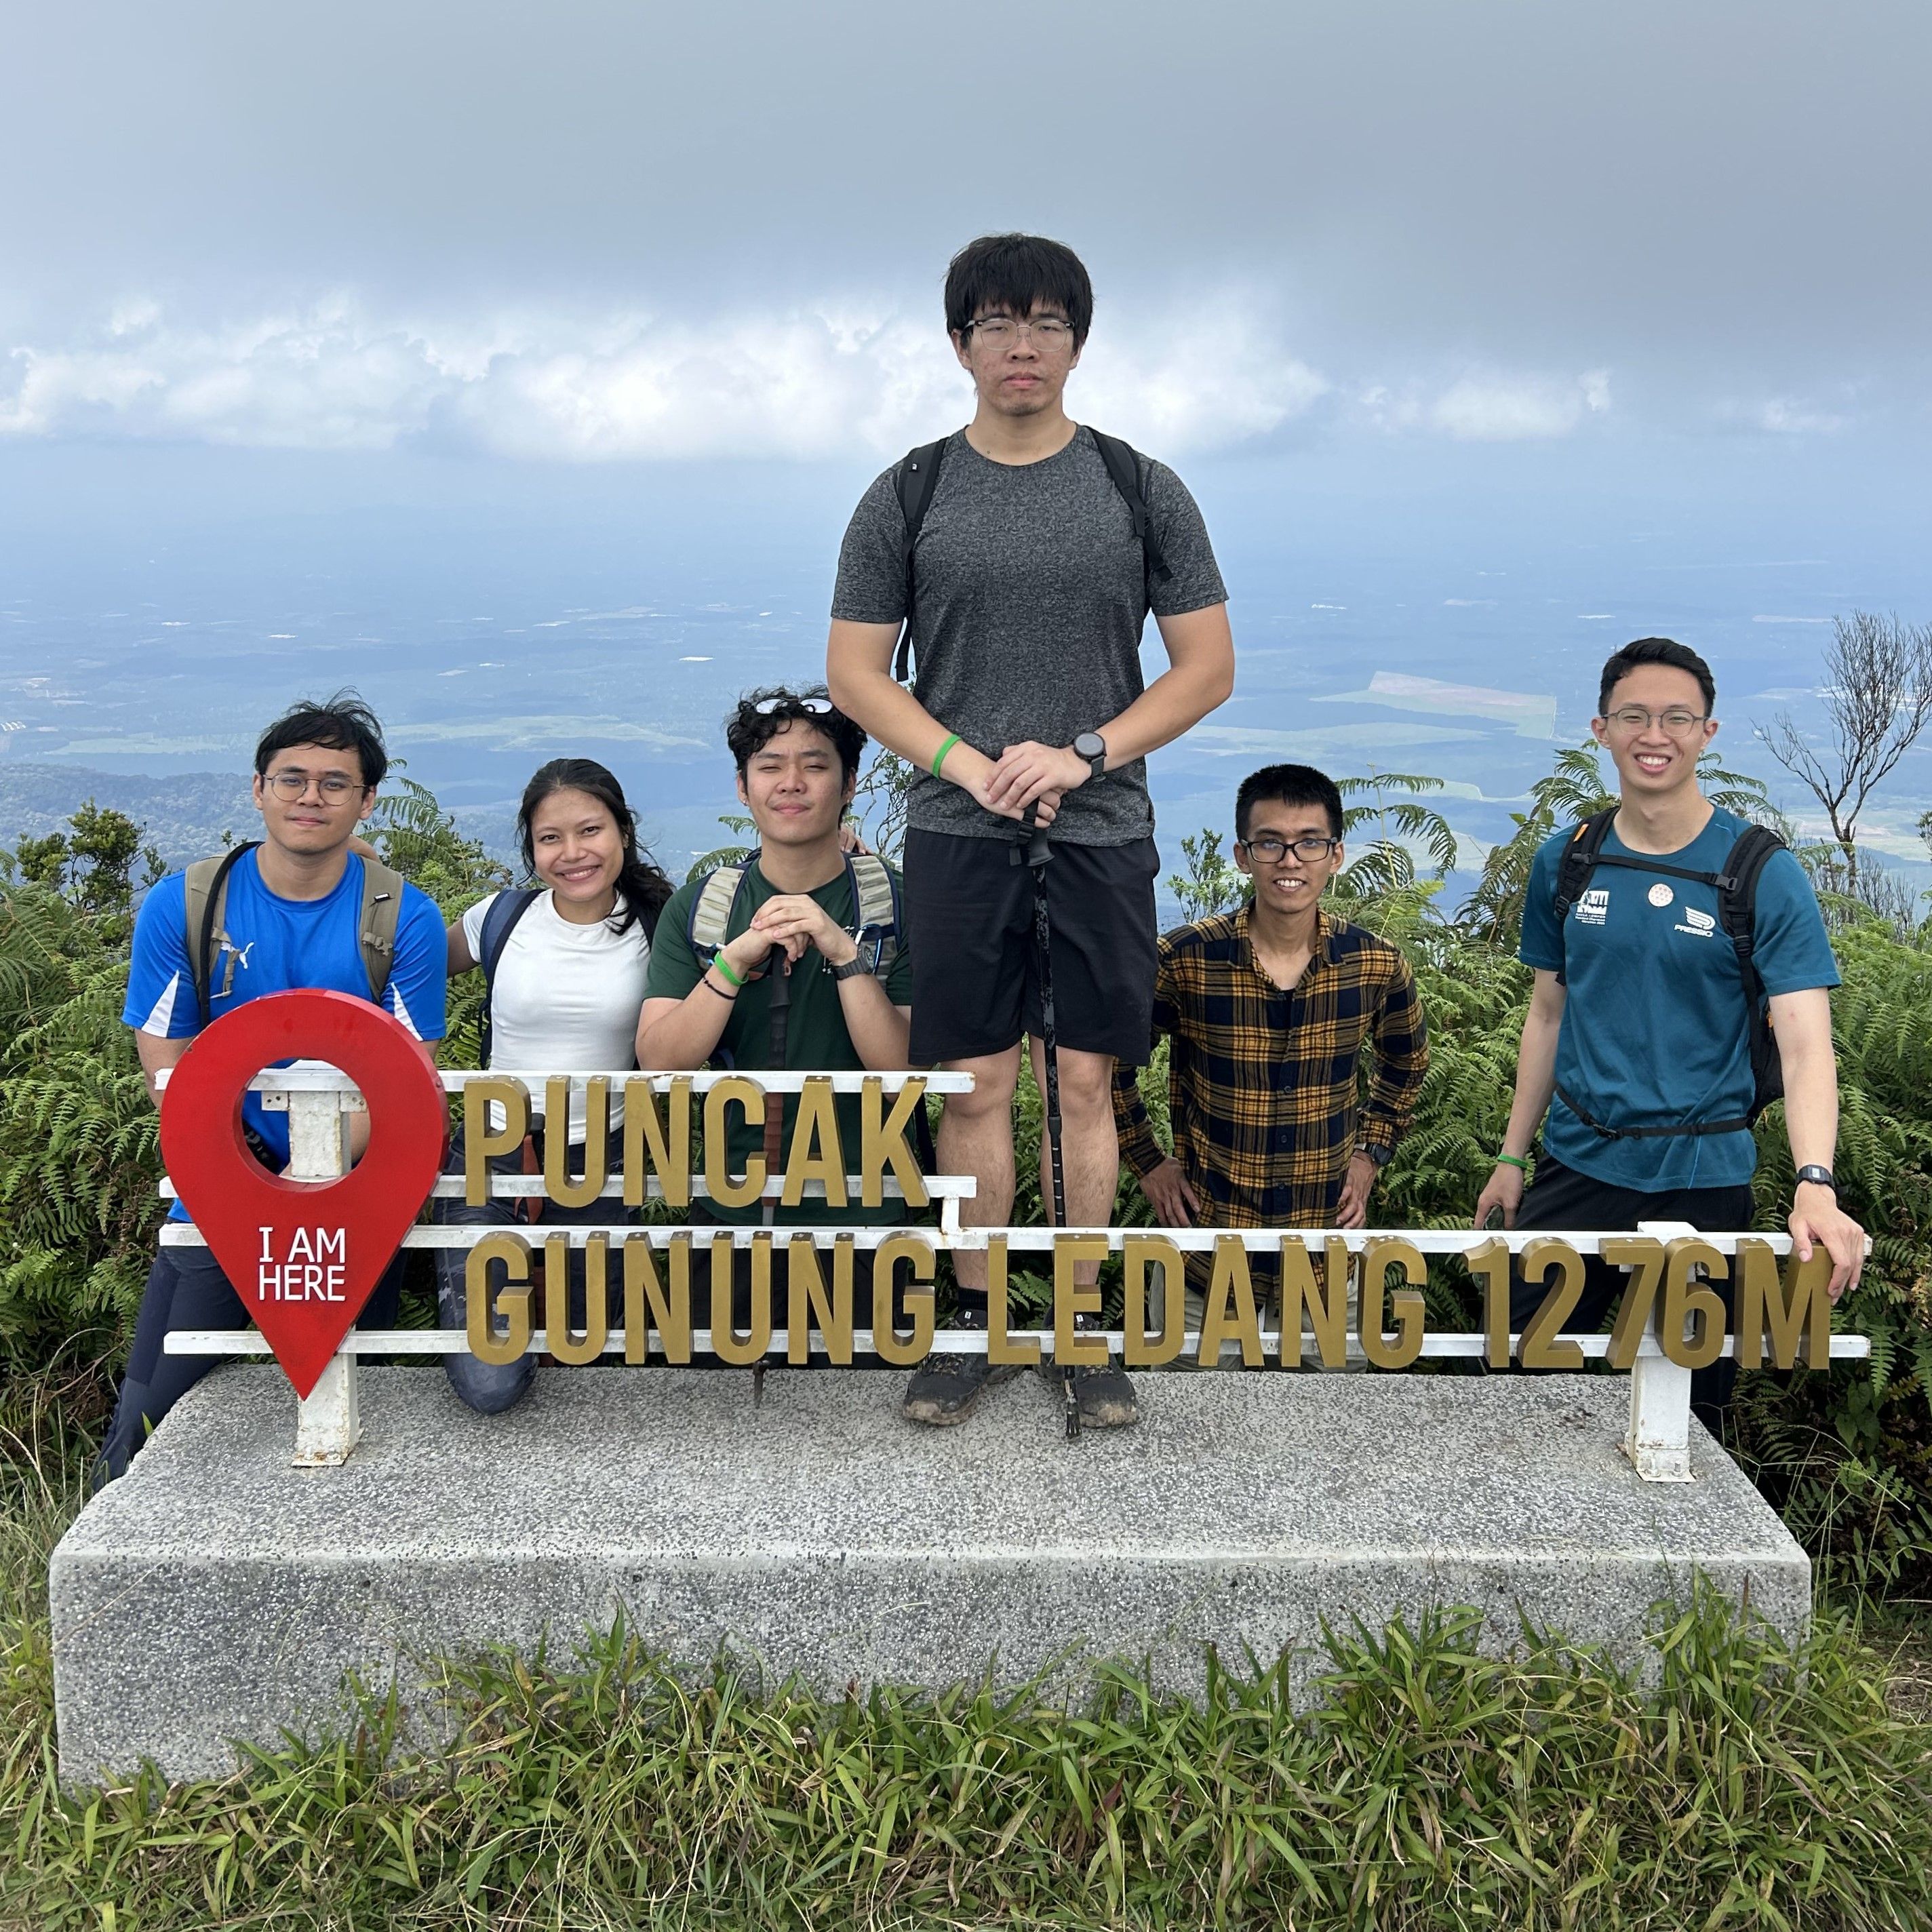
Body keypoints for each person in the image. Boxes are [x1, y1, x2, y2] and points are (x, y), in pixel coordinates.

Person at [825, 232, 1236, 1430]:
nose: (1023, 344)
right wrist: (968, 764)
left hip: (1100, 824)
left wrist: (1084, 751)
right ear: (958, 344)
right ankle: (971, 1321)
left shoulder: (1134, 484)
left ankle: (1075, 1319)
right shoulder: (907, 490)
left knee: (1084, 1081)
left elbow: (1204, 666)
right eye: (998, 323)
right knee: (972, 1082)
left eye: (1047, 323)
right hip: (957, 828)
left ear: (1077, 342)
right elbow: (855, 671)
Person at [1474, 636, 1865, 1425]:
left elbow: (1803, 1044)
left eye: (1676, 717)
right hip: (1576, 1163)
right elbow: (1546, 1012)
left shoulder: (1759, 871)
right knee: (1514, 1391)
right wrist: (1512, 1155)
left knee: (1692, 1416)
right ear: (1600, 729)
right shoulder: (1568, 861)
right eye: (1634, 716)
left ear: (1706, 733)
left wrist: (1813, 1181)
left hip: (1704, 1175)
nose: (1654, 735)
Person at [100, 694, 446, 1483]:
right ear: (258, 789)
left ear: (365, 801)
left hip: (355, 1200)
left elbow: (402, 1078)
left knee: (355, 1398)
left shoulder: (401, 918)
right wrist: (246, 1177)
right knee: (153, 1402)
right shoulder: (189, 903)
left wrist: (305, 1191)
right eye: (292, 778)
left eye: (334, 782)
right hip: (220, 1187)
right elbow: (167, 1056)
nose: (310, 797)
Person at [635, 688, 913, 1335]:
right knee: (718, 1416)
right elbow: (660, 1057)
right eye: (769, 766)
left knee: (867, 1415)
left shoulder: (893, 906)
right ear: (742, 786)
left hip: (867, 1215)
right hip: (727, 1212)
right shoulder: (703, 908)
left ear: (849, 785)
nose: (791, 783)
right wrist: (732, 963)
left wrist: (844, 951)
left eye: (815, 766)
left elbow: (902, 1064)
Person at [1116, 765, 1429, 1313]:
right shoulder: (1185, 960)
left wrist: (1370, 1155)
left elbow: (1406, 1062)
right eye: (1270, 843)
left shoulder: (1374, 965)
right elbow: (1111, 1063)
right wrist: (1147, 1162)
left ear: (1335, 855)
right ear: (1242, 855)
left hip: (1324, 1262)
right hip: (1205, 1259)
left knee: (1333, 1403)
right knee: (1188, 1401)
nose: (1289, 861)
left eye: (1309, 842)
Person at [435, 759, 675, 1412]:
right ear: (530, 848)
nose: (572, 853)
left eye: (590, 830)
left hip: (606, 1156)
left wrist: (841, 847)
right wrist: (360, 872)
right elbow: (404, 956)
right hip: (492, 1151)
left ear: (623, 832)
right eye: (550, 838)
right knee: (490, 1382)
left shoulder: (663, 928)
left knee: (592, 1359)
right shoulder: (501, 918)